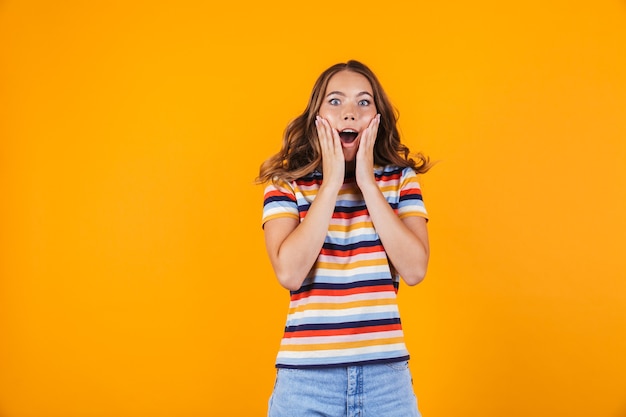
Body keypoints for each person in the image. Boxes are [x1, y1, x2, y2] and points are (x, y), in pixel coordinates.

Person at [257, 60, 431, 417]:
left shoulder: (400, 181)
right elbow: (289, 272)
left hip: (387, 382)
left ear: (377, 117)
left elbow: (414, 269)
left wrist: (367, 182)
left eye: (363, 102)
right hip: (305, 383)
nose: (350, 113)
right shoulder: (286, 184)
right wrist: (332, 181)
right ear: (316, 115)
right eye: (335, 101)